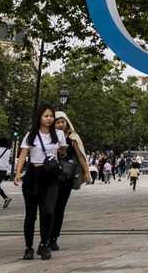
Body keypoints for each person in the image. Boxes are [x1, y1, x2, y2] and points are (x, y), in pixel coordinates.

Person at [14, 103, 67, 260]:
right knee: (30, 215)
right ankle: (28, 246)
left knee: (48, 212)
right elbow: (23, 154)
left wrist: (59, 153)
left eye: (51, 116)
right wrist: (18, 172)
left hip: (50, 177)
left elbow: (63, 152)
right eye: (46, 116)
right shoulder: (31, 135)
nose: (49, 119)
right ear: (39, 118)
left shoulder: (59, 134)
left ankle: (44, 244)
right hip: (33, 175)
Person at [49, 111, 91, 252]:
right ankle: (46, 237)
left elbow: (80, 155)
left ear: (67, 122)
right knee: (49, 208)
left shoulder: (73, 137)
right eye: (57, 122)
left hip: (65, 177)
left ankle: (54, 237)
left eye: (62, 121)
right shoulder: (49, 136)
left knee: (59, 207)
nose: (60, 124)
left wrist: (86, 172)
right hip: (51, 175)